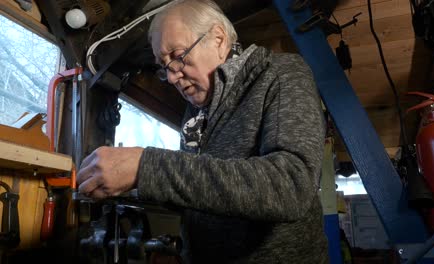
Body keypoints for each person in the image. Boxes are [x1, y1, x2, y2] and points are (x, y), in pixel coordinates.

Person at [77, 0, 329, 263]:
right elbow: (203, 190)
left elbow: (291, 186)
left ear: (218, 39)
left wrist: (146, 167)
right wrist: (134, 183)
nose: (172, 77)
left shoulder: (280, 73)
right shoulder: (195, 115)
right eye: (164, 68)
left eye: (178, 56)